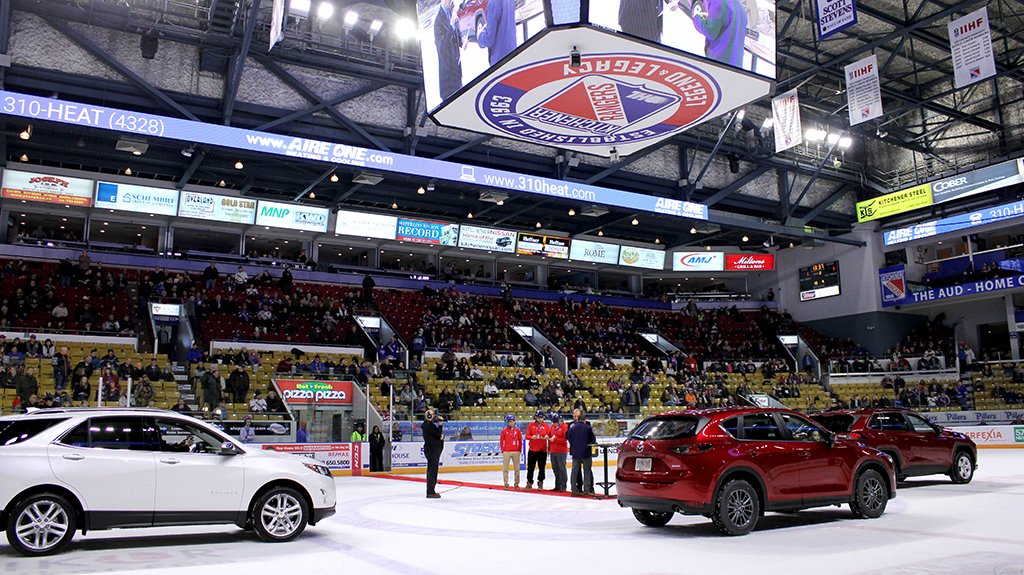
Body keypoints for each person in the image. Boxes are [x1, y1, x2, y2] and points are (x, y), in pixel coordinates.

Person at [689, 0, 747, 68]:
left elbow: (710, 31)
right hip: (737, 66)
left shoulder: (719, 2)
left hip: (719, 63)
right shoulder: (741, 7)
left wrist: (696, 16)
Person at [434, 0, 463, 100]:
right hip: (448, 79)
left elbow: (456, 36)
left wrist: (462, 41)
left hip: (457, 72)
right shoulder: (438, 21)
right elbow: (442, 49)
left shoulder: (451, 13)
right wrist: (451, 25)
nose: (450, 1)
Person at [477, 0, 516, 66]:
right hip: (512, 51)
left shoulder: (493, 3)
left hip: (499, 58)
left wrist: (480, 35)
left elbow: (489, 40)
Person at [567, 408, 596, 496]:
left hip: (576, 452)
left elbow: (569, 438)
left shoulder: (572, 428)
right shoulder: (588, 428)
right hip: (586, 452)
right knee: (587, 471)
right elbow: (592, 439)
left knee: (574, 471)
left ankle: (573, 489)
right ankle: (586, 489)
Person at [525, 410, 550, 490]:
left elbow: (550, 436)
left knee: (542, 468)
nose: (540, 419)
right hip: (532, 450)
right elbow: (527, 436)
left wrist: (547, 437)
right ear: (536, 417)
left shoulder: (546, 426)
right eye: (539, 417)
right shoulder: (531, 425)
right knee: (530, 468)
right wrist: (531, 437)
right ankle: (529, 482)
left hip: (542, 450)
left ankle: (540, 482)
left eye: (542, 417)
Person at [422, 408, 444, 498]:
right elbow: (438, 434)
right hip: (433, 450)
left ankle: (431, 490)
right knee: (432, 471)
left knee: (432, 470)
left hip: (432, 449)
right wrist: (440, 425)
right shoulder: (429, 425)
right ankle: (431, 491)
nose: (434, 416)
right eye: (433, 414)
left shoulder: (426, 425)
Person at [499, 414, 523, 489]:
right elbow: (501, 441)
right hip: (507, 452)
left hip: (516, 451)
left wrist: (519, 450)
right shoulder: (504, 431)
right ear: (507, 422)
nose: (511, 423)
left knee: (517, 469)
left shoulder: (518, 431)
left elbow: (520, 441)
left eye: (512, 421)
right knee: (505, 469)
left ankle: (516, 483)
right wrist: (503, 450)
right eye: (510, 421)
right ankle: (506, 483)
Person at [548, 412, 569, 492]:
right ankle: (557, 485)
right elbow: (549, 435)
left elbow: (565, 439)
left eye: (556, 422)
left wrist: (555, 439)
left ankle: (563, 486)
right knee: (555, 468)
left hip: (561, 451)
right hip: (553, 450)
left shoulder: (565, 427)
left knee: (561, 468)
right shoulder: (553, 426)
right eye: (554, 422)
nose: (555, 424)